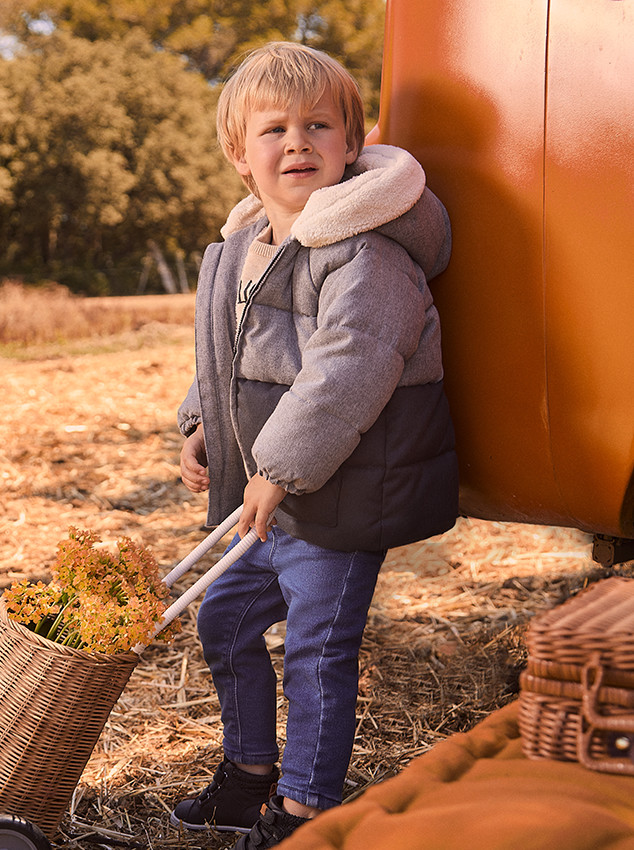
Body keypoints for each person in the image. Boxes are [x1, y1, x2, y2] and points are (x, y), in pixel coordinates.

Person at [172, 41, 458, 849]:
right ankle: (249, 773)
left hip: (340, 489)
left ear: (351, 144)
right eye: (274, 130)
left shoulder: (369, 252)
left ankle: (305, 808)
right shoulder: (243, 248)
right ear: (241, 157)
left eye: (318, 125)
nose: (296, 142)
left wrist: (278, 468)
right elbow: (225, 356)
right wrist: (198, 425)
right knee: (223, 625)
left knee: (317, 648)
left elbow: (350, 368)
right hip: (263, 492)